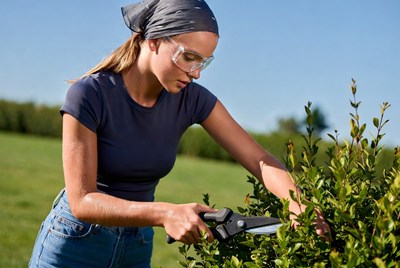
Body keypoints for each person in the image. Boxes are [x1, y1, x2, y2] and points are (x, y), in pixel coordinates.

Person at [29, 0, 331, 267]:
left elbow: (260, 159)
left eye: (204, 61)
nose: (197, 72)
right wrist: (164, 213)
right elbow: (83, 202)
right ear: (154, 41)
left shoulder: (192, 99)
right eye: (189, 57)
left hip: (137, 245)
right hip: (76, 243)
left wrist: (298, 203)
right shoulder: (89, 95)